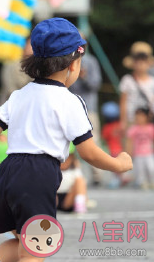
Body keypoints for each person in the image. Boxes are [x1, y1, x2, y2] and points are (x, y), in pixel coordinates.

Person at [0, 18, 133, 262]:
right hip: (37, 176)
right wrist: (119, 164)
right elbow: (89, 152)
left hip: (8, 174)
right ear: (72, 66)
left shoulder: (19, 95)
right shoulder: (70, 101)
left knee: (23, 239)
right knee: (36, 248)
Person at [69, 37, 103, 186]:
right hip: (69, 106)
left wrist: (84, 77)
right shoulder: (66, 59)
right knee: (70, 143)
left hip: (89, 108)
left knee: (93, 141)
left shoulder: (91, 61)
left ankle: (97, 175)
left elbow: (96, 84)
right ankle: (73, 172)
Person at [119, 41, 154, 130]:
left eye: (143, 61)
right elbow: (123, 102)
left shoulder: (152, 82)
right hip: (131, 120)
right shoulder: (127, 80)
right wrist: (123, 121)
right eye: (138, 61)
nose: (140, 64)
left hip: (148, 121)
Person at [126, 108, 154, 189]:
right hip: (138, 153)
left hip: (149, 153)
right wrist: (129, 152)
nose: (139, 119)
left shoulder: (151, 128)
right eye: (137, 117)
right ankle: (141, 182)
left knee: (151, 168)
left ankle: (151, 181)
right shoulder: (134, 128)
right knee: (139, 169)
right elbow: (129, 141)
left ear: (146, 117)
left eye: (141, 116)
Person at [57, 143, 88, 213]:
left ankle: (80, 203)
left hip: (68, 198)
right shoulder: (52, 167)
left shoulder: (74, 169)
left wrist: (84, 198)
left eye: (67, 158)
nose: (64, 161)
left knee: (80, 181)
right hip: (54, 197)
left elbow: (81, 186)